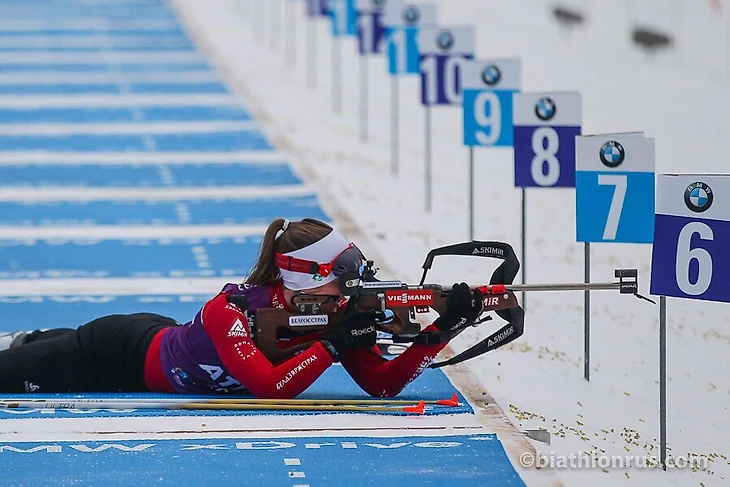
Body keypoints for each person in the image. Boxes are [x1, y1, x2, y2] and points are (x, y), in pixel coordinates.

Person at [0, 218, 484, 398]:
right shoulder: (227, 311)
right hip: (113, 353)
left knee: (34, 348)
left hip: (158, 339)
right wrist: (333, 346)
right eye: (343, 283)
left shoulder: (333, 314)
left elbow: (383, 386)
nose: (350, 295)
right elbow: (270, 389)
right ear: (307, 280)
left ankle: (28, 340)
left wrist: (442, 329)